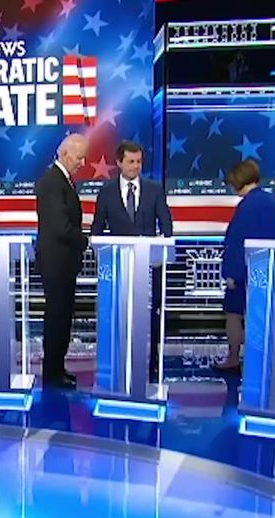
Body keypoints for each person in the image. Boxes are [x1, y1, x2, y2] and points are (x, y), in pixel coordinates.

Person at [90, 140, 174, 381]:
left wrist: (166, 247)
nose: (135, 166)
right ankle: (118, 356)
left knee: (151, 313)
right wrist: (100, 252)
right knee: (119, 312)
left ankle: (153, 361)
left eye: (139, 162)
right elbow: (97, 227)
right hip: (118, 265)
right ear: (119, 163)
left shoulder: (154, 189)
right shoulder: (106, 192)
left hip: (149, 264)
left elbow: (165, 222)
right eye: (130, 161)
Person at [218, 159, 275, 370]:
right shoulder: (272, 200)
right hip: (267, 270)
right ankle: (260, 360)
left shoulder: (247, 205)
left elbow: (238, 243)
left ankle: (232, 358)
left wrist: (231, 274)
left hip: (243, 273)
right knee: (261, 316)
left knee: (234, 314)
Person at [35, 133, 89, 389]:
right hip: (56, 263)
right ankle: (52, 374)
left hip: (65, 263)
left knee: (63, 316)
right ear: (66, 154)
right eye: (79, 157)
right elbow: (60, 227)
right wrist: (85, 241)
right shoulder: (51, 182)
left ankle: (57, 367)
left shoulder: (63, 181)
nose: (82, 162)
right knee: (56, 317)